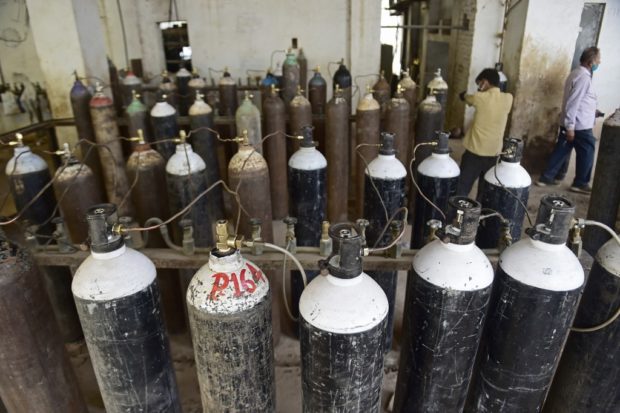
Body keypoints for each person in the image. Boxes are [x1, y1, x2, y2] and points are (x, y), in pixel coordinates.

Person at [536, 46, 602, 193]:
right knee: (587, 150)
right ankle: (580, 182)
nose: (600, 62)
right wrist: (570, 126)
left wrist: (593, 111)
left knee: (562, 149)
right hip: (579, 125)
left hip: (575, 121)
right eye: (598, 60)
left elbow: (579, 100)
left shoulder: (575, 73)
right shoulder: (583, 78)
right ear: (591, 62)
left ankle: (547, 177)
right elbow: (573, 102)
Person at [456, 68, 513, 196]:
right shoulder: (508, 99)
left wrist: (464, 95)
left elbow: (468, 98)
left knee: (462, 187)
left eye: (480, 83)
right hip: (494, 153)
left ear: (485, 82)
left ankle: (453, 214)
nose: (479, 86)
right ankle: (480, 214)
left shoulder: (479, 97)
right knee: (485, 190)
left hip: (475, 152)